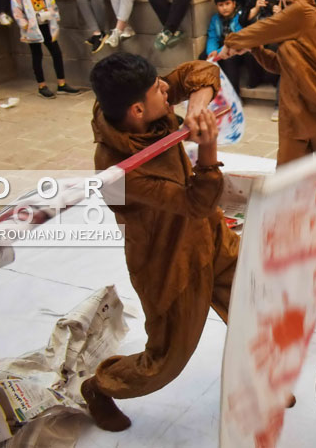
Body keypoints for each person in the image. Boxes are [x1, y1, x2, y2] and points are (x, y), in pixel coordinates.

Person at [81, 53, 236, 432]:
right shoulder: (117, 169)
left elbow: (200, 71)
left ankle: (257, 379)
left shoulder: (137, 101)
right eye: (158, 89)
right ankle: (100, 386)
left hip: (212, 236)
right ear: (137, 110)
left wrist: (198, 105)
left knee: (255, 303)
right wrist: (209, 147)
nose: (167, 89)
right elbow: (195, 202)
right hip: (170, 263)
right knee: (166, 360)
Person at [222, 0, 316, 164]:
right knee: (289, 177)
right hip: (293, 107)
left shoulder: (303, 11)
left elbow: (265, 27)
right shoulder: (292, 23)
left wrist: (232, 42)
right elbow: (279, 64)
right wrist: (255, 48)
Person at [11, 0, 80, 98]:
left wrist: (54, 15)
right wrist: (24, 24)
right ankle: (41, 85)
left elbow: (52, 2)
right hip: (32, 26)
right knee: (37, 55)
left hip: (46, 23)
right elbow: (16, 8)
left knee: (56, 52)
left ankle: (62, 83)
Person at [203, 0, 248, 92]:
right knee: (203, 58)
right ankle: (211, 93)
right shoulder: (215, 19)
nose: (224, 8)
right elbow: (212, 37)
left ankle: (235, 95)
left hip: (237, 50)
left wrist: (218, 52)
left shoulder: (239, 17)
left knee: (229, 60)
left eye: (227, 4)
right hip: (220, 47)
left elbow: (238, 39)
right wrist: (212, 51)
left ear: (234, 4)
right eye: (221, 5)